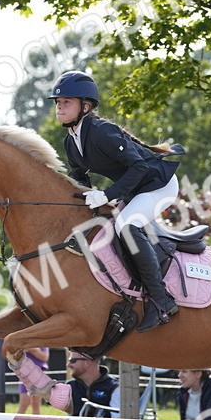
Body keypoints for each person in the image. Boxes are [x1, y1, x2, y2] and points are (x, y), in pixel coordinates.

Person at [49, 70, 183, 332]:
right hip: (133, 189)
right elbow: (78, 176)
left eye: (66, 102)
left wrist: (107, 195)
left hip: (158, 185)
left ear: (85, 106)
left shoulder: (101, 132)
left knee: (126, 227)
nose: (59, 107)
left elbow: (140, 168)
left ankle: (161, 300)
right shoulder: (70, 141)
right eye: (57, 102)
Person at [67, 353, 119, 420]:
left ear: (87, 362)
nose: (68, 365)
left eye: (72, 360)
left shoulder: (114, 387)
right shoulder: (70, 387)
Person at [17, 347, 49, 415]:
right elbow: (16, 354)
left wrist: (32, 349)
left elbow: (44, 357)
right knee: (24, 403)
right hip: (25, 374)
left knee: (36, 404)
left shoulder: (42, 342)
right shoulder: (22, 340)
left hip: (38, 374)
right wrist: (34, 350)